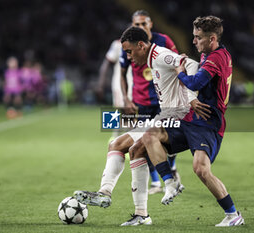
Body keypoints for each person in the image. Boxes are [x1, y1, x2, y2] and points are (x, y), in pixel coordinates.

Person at [74, 26, 211, 226]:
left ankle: (110, 193)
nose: (128, 56)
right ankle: (140, 214)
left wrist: (190, 97)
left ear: (141, 45)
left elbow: (192, 64)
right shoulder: (152, 58)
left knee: (120, 144)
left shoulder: (161, 55)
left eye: (129, 51)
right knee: (126, 148)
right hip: (164, 116)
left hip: (176, 118)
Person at [141, 16, 245, 227]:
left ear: (212, 38)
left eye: (198, 38)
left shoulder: (216, 58)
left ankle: (233, 214)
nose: (194, 41)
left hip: (208, 123)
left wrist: (179, 72)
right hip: (190, 119)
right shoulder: (213, 54)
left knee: (201, 169)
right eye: (194, 36)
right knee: (151, 134)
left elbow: (195, 81)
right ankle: (169, 182)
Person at [119, 9, 182, 194]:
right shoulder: (128, 46)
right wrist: (125, 98)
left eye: (143, 23)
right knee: (145, 141)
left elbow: (178, 65)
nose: (140, 26)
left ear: (150, 24)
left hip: (164, 101)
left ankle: (171, 171)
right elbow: (122, 74)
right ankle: (156, 183)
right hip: (142, 101)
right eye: (136, 24)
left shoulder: (164, 41)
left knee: (169, 140)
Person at [97, 39, 133, 139]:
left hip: (135, 84)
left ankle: (119, 140)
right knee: (123, 112)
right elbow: (106, 64)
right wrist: (101, 84)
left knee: (130, 114)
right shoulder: (117, 44)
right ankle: (117, 140)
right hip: (120, 84)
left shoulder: (142, 44)